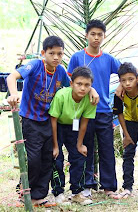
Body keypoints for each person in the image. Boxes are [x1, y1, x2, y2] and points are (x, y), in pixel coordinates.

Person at [6, 36, 70, 207]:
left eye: (60, 54)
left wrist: (91, 90)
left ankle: (39, 196)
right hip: (30, 120)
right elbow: (12, 77)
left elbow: (73, 86)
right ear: (43, 53)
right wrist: (13, 94)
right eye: (51, 53)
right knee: (33, 159)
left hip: (49, 120)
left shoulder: (61, 71)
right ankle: (24, 192)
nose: (56, 57)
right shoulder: (35, 65)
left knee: (47, 158)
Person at [67, 19, 121, 199]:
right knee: (84, 148)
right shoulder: (77, 57)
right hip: (82, 112)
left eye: (100, 34)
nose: (96, 38)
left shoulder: (109, 59)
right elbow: (70, 82)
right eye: (93, 34)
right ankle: (86, 186)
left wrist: (121, 86)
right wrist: (90, 88)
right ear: (86, 35)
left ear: (104, 36)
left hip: (104, 111)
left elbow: (127, 73)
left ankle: (109, 187)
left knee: (107, 149)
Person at [49, 66, 96, 205]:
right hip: (57, 126)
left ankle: (77, 192)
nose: (82, 88)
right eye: (79, 84)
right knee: (57, 157)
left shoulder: (90, 99)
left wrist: (80, 144)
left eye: (87, 85)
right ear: (71, 83)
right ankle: (58, 192)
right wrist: (55, 146)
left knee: (79, 155)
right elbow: (53, 120)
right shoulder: (62, 95)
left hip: (73, 127)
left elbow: (84, 123)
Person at [112, 62, 138, 199]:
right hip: (129, 123)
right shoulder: (119, 94)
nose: (128, 83)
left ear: (137, 79)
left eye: (131, 79)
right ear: (120, 82)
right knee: (128, 154)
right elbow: (120, 114)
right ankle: (127, 186)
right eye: (123, 81)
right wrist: (126, 135)